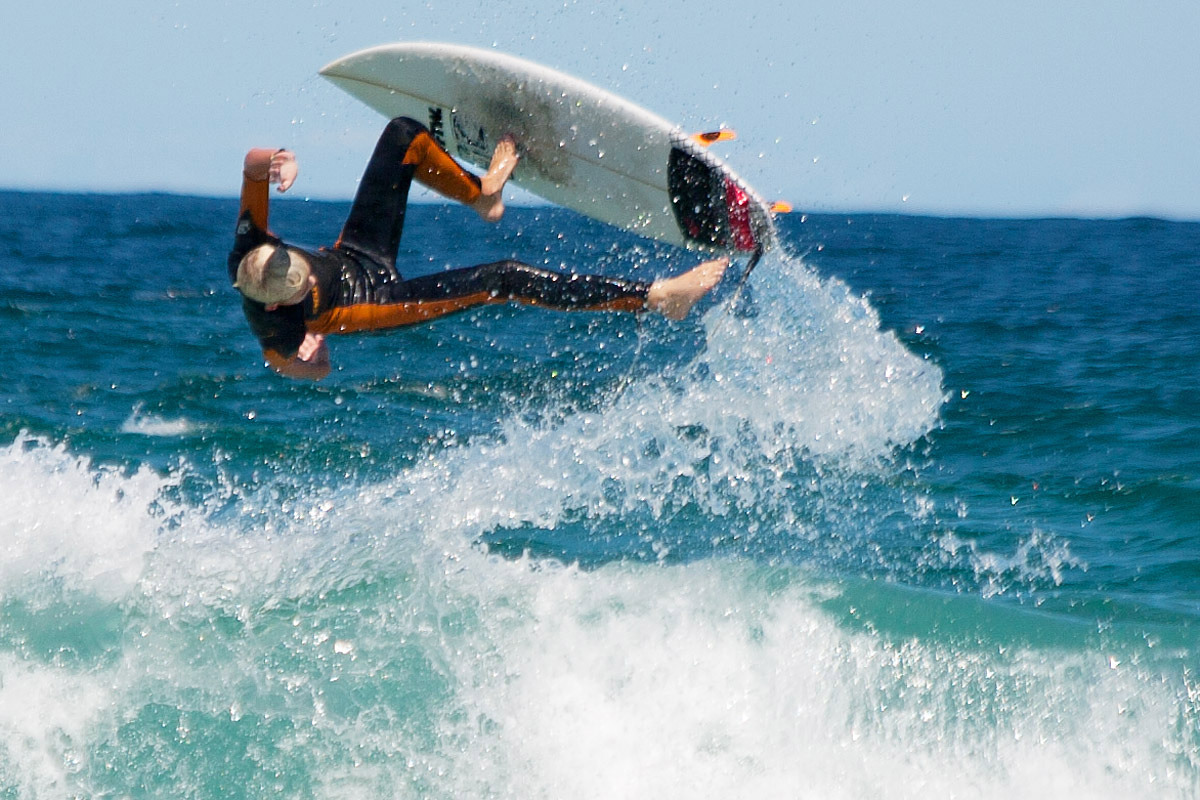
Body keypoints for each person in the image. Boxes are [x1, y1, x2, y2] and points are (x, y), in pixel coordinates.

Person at [229, 116, 729, 381]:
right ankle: (659, 297)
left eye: (300, 270)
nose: (307, 278)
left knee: (404, 134)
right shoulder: (275, 325)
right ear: (276, 304)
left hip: (355, 253)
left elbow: (252, 166)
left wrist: (278, 159)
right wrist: (312, 361)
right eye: (301, 289)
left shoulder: (250, 248)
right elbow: (293, 368)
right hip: (375, 302)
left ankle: (484, 195)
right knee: (503, 276)